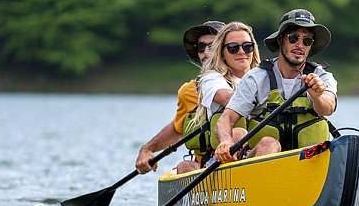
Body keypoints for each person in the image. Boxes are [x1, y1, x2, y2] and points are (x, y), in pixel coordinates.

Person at [214, 9, 337, 164]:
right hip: (263, 165)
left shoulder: (322, 76)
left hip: (309, 166)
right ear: (280, 40)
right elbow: (225, 120)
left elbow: (328, 108)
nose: (300, 45)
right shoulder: (255, 78)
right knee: (268, 143)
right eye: (293, 38)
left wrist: (317, 95)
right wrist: (225, 140)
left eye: (307, 41)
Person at [135, 20, 224, 175]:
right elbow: (178, 128)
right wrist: (148, 149)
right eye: (201, 47)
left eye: (213, 45)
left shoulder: (251, 81)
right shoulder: (189, 91)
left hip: (244, 161)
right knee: (185, 166)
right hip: (207, 168)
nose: (206, 52)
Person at [194, 21, 261, 155]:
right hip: (226, 154)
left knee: (269, 142)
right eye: (233, 48)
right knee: (238, 133)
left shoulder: (265, 76)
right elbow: (227, 98)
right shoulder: (211, 79)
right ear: (222, 52)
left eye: (247, 47)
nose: (241, 52)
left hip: (259, 150)